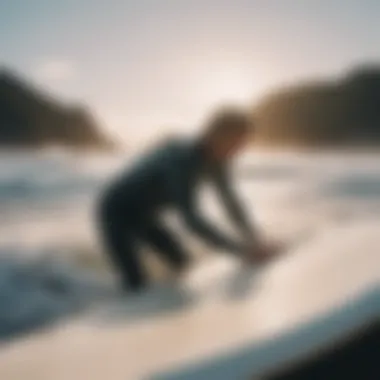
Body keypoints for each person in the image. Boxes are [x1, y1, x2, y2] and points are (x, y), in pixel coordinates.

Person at [97, 106, 275, 293]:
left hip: (144, 215)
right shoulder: (183, 159)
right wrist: (241, 251)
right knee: (136, 284)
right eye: (236, 144)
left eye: (242, 145)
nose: (238, 151)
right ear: (216, 135)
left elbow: (230, 202)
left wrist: (255, 239)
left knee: (183, 264)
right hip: (115, 209)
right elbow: (191, 219)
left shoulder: (218, 160)